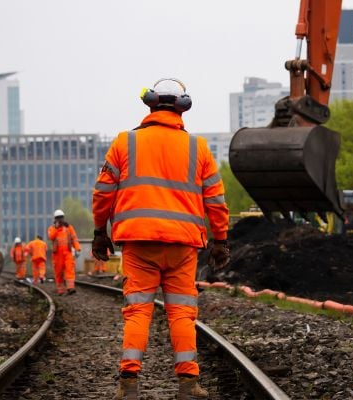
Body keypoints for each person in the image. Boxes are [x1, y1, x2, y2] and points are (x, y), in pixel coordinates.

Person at [91, 78, 231, 400]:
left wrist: (100, 232)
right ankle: (187, 384)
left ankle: (128, 383)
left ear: (149, 104)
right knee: (182, 312)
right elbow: (216, 201)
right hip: (183, 246)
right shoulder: (198, 148)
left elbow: (103, 193)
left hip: (139, 244)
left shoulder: (125, 143)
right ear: (183, 107)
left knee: (138, 310)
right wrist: (220, 240)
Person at [47, 209, 81, 295]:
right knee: (58, 272)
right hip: (57, 255)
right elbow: (51, 237)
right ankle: (60, 290)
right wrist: (56, 227)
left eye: (61, 217)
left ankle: (70, 288)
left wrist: (77, 248)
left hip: (67, 253)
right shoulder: (52, 229)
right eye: (58, 218)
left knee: (70, 269)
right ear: (55, 219)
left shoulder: (69, 227)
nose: (60, 219)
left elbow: (74, 238)